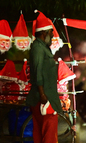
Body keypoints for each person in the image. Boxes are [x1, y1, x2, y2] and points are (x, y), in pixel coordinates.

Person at [26, 11, 62, 143]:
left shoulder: (42, 47)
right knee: (48, 132)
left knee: (43, 133)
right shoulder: (38, 48)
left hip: (45, 95)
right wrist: (42, 95)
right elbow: (37, 71)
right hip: (44, 97)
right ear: (44, 33)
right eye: (51, 32)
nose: (53, 35)